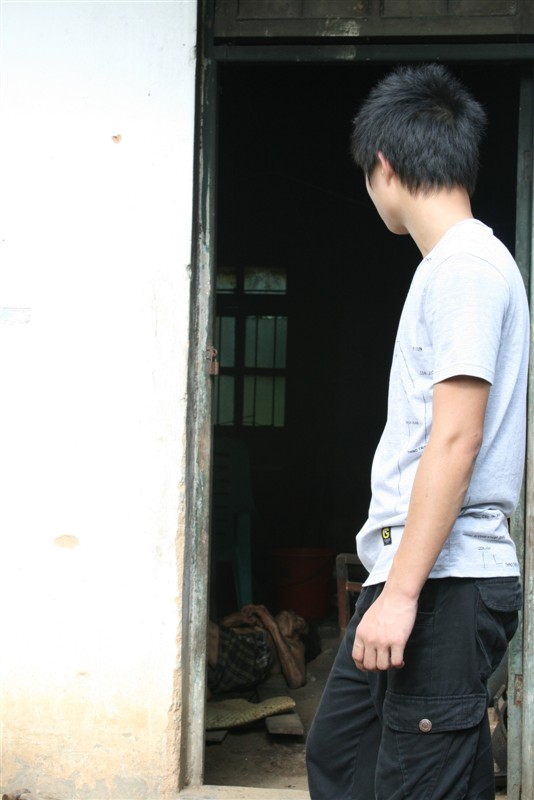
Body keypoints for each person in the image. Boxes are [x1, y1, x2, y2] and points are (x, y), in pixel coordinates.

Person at [306, 63, 529, 800]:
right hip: (419, 573)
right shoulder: (449, 267)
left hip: (442, 581)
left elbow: (457, 438)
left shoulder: (465, 268)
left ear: (384, 165)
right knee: (344, 756)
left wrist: (401, 596)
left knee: (410, 780)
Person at [207, 604, 312, 694]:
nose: (293, 615)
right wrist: (239, 618)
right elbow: (220, 632)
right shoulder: (259, 627)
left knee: (204, 628)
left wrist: (273, 628)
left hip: (252, 659)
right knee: (205, 630)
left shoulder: (294, 645)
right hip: (219, 658)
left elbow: (297, 680)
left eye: (297, 619)